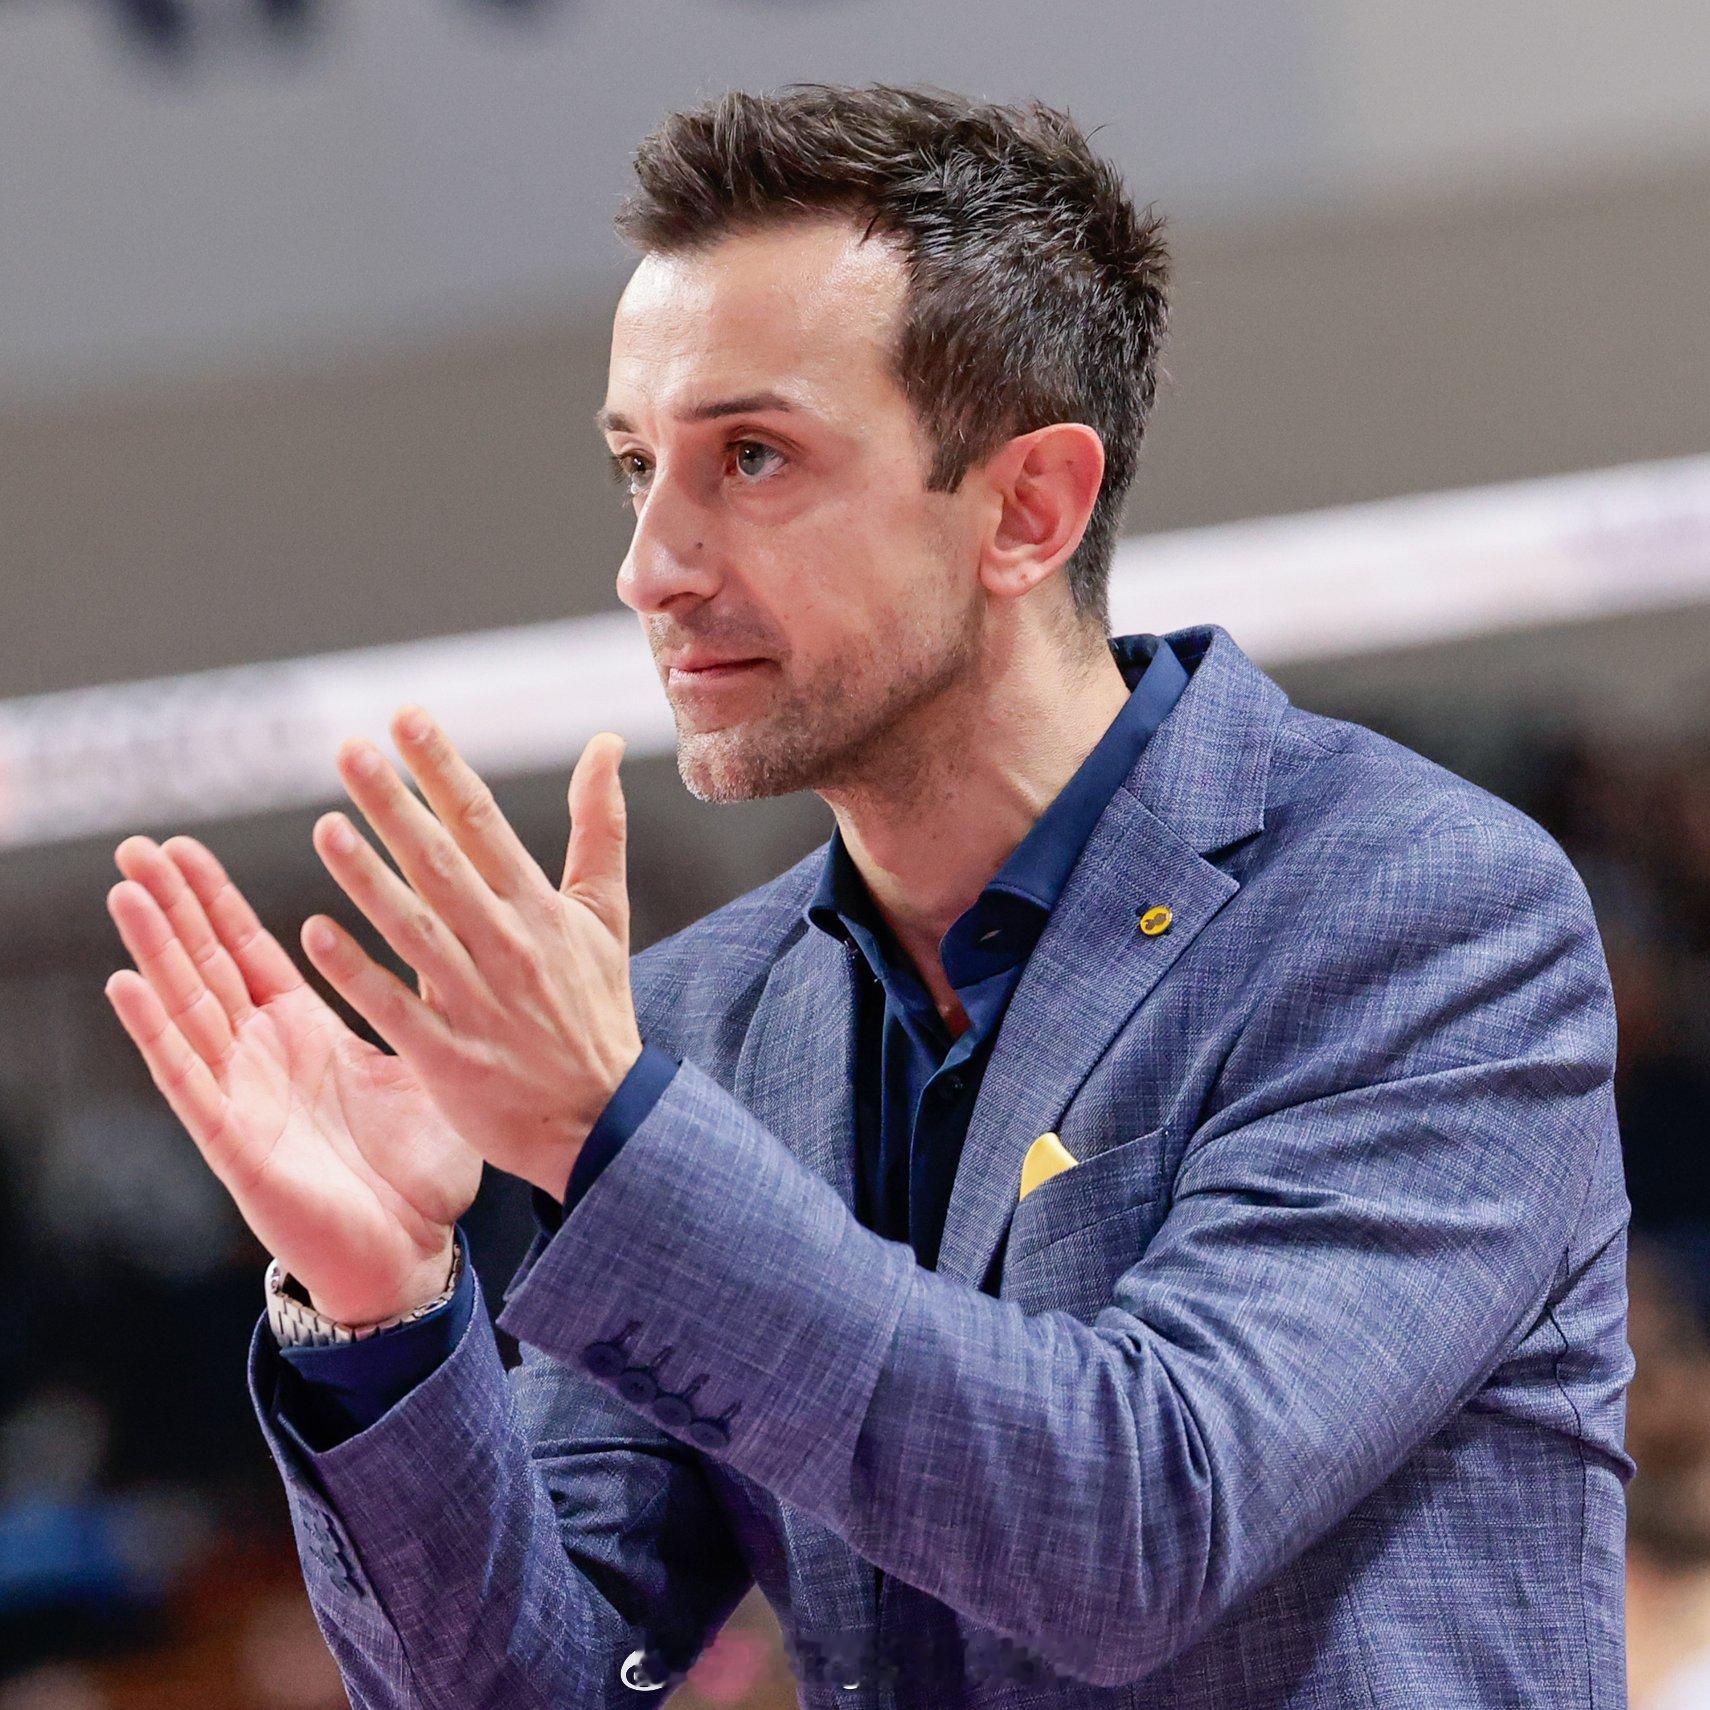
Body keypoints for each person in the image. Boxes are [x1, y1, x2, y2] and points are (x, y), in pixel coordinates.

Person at [100, 83, 1632, 1708]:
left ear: (1027, 508)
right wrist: (385, 1307)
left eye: (750, 457)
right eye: (637, 467)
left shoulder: (1420, 910)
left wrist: (612, 1140)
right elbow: (547, 1683)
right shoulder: (697, 1025)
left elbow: (1142, 1525)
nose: (649, 565)